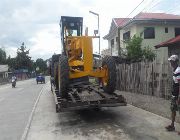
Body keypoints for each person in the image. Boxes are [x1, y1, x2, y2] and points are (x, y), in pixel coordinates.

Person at [165, 54, 180, 135]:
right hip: (174, 95)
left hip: (178, 96)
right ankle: (172, 125)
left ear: (174, 62)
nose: (170, 62)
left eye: (171, 61)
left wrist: (179, 97)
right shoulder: (175, 70)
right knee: (173, 110)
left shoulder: (178, 70)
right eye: (170, 61)